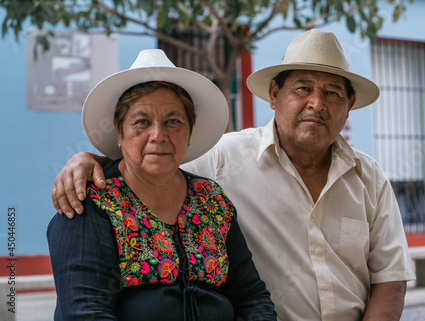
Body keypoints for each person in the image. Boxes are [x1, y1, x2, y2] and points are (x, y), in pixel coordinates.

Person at [51, 29, 416, 320]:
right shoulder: (224, 157)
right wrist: (90, 160)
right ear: (274, 94)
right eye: (303, 88)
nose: (317, 104)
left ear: (349, 106)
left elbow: (390, 279)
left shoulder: (370, 178)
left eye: (333, 92)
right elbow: (152, 163)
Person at [46, 49, 277, 321]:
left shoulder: (211, 199)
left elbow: (251, 297)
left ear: (190, 131)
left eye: (173, 122)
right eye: (142, 122)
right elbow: (87, 313)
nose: (158, 135)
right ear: (119, 131)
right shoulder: (92, 204)